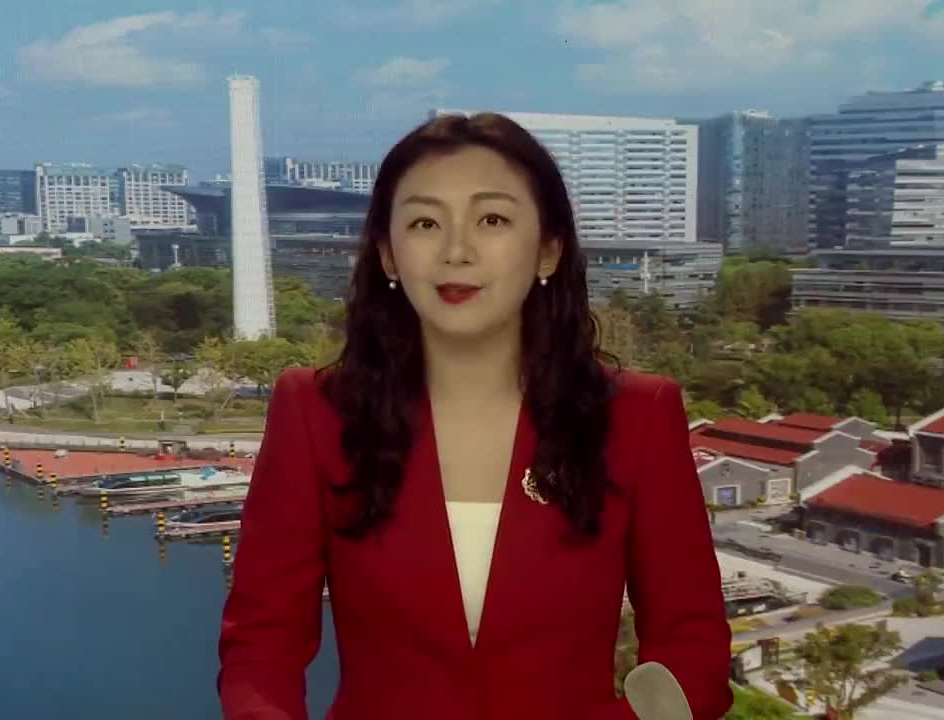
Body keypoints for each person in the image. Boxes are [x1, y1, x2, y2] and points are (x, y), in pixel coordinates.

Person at [217, 112, 733, 719]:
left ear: (548, 250)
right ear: (388, 254)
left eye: (492, 220)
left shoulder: (638, 417)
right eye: (425, 223)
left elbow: (694, 652)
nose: (456, 252)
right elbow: (262, 647)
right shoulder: (314, 413)